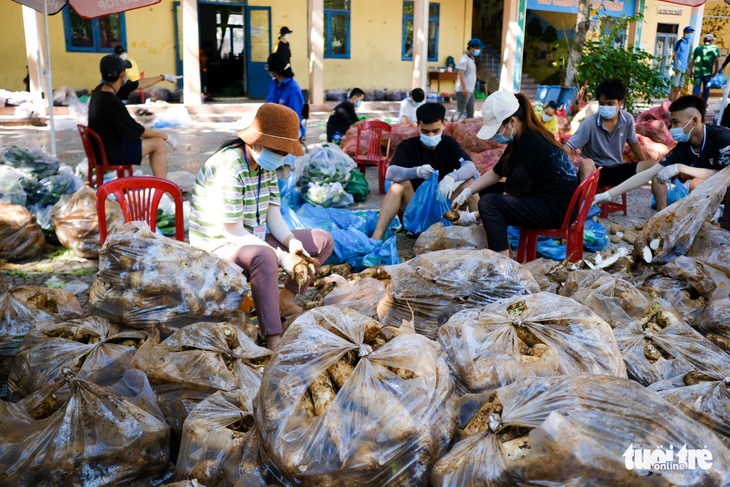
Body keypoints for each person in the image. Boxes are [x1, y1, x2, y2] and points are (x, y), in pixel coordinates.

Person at [189, 103, 334, 351]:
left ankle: (285, 301)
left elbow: (273, 216)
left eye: (283, 151)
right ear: (255, 141)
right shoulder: (230, 167)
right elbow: (232, 230)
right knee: (265, 255)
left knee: (322, 241)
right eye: (276, 149)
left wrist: (291, 242)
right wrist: (278, 254)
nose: (280, 156)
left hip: (250, 239)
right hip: (218, 243)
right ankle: (273, 339)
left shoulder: (265, 166)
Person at [450, 91, 579, 257]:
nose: (496, 136)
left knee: (490, 204)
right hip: (549, 199)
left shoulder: (529, 145)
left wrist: (473, 216)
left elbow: (508, 196)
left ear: (512, 121)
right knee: (487, 193)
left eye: (497, 129)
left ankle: (503, 262)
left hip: (557, 211)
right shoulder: (523, 136)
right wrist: (468, 191)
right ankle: (504, 249)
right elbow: (497, 172)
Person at [594, 95, 730, 211]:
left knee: (696, 184)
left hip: (725, 190)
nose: (672, 128)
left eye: (676, 122)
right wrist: (606, 195)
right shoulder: (684, 146)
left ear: (694, 120)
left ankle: (705, 221)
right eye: (671, 123)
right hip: (708, 189)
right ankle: (661, 219)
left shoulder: (723, 138)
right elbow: (649, 172)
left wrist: (680, 168)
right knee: (659, 177)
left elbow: (722, 175)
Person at [370, 103, 479, 240]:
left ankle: (480, 234)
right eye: (425, 131)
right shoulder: (408, 146)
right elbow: (391, 173)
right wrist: (416, 171)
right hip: (417, 210)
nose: (431, 135)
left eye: (435, 131)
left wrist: (451, 177)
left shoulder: (449, 144)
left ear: (444, 124)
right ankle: (377, 236)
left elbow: (470, 167)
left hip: (444, 208)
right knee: (398, 186)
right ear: (418, 126)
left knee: (470, 187)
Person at [88, 55, 170, 178]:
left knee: (154, 140)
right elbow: (137, 130)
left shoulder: (101, 90)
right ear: (123, 75)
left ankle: (162, 187)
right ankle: (165, 191)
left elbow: (138, 84)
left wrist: (163, 77)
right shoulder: (112, 102)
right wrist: (165, 136)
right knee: (158, 143)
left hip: (101, 150)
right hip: (111, 154)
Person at [565, 79, 655, 187]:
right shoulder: (589, 124)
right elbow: (568, 146)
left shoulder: (627, 119)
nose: (605, 108)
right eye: (602, 104)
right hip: (595, 171)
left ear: (620, 102)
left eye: (610, 103)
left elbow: (634, 143)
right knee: (586, 163)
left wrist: (644, 165)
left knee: (656, 166)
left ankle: (661, 203)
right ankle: (587, 203)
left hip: (618, 168)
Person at [113, 45, 181, 102]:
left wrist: (164, 77)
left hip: (133, 82)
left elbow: (140, 83)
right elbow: (141, 84)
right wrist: (164, 77)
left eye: (122, 53)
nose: (122, 55)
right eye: (119, 54)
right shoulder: (118, 88)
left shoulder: (129, 61)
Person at [265, 52, 305, 139]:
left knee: (273, 139)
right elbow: (268, 106)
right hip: (274, 126)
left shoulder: (293, 88)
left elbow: (294, 117)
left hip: (292, 128)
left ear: (272, 69)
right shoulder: (274, 84)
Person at [451, 38, 483, 121]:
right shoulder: (464, 59)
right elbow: (460, 73)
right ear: (471, 48)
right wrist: (464, 88)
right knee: (459, 112)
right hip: (464, 90)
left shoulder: (471, 59)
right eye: (477, 48)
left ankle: (469, 129)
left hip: (470, 90)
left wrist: (475, 76)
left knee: (470, 112)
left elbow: (468, 72)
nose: (478, 50)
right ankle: (450, 127)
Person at [690, 34, 721, 102]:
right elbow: (716, 60)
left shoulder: (698, 48)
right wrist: (716, 71)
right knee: (706, 89)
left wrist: (690, 71)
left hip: (697, 73)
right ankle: (704, 104)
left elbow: (693, 61)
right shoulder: (714, 48)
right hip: (708, 73)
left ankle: (695, 104)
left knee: (696, 89)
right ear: (711, 40)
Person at [669, 26, 694, 102]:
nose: (690, 34)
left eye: (691, 32)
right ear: (684, 33)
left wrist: (687, 68)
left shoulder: (688, 43)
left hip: (683, 69)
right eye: (688, 32)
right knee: (674, 87)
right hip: (678, 68)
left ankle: (675, 104)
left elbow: (685, 57)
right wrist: (676, 67)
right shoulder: (680, 42)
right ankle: (669, 104)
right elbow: (674, 55)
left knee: (680, 88)